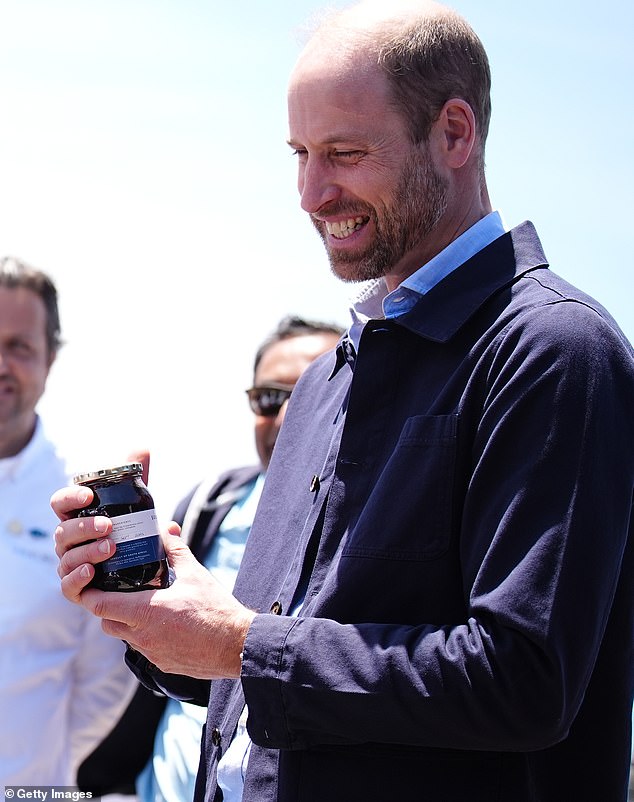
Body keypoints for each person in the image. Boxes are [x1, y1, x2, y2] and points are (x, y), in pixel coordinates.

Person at [52, 2, 634, 801]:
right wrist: (164, 616)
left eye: (345, 153)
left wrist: (241, 645)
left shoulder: (556, 351)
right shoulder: (327, 380)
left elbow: (523, 680)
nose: (310, 193)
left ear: (455, 134)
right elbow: (286, 676)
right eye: (299, 154)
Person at [77, 316, 343, 802]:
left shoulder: (370, 524)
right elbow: (168, 659)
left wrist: (236, 646)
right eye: (269, 398)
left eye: (311, 391)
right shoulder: (210, 504)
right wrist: (105, 565)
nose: (286, 415)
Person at [0, 256, 136, 787]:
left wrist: (37, 768)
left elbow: (105, 677)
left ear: (50, 358)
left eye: (19, 347)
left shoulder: (85, 497)